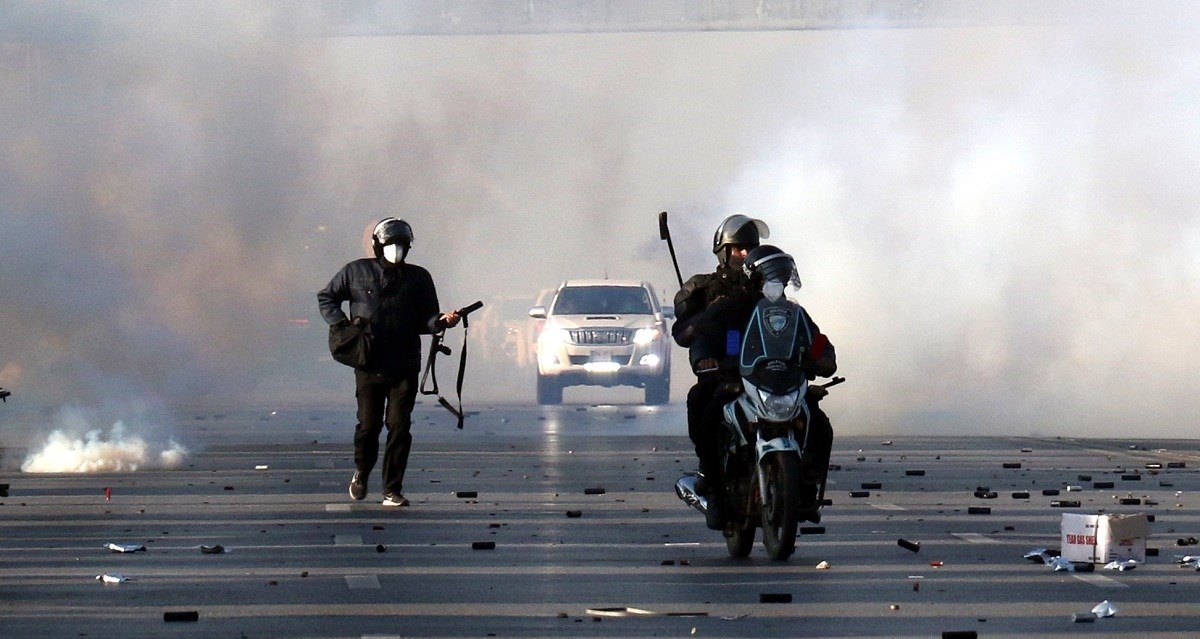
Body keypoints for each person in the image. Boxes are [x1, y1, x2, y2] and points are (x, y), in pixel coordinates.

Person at [318, 217, 460, 507]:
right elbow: (327, 297)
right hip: (368, 362)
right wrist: (343, 325)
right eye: (391, 244)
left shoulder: (419, 278)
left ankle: (392, 490)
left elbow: (428, 319)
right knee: (369, 426)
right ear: (377, 246)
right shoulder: (355, 272)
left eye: (402, 245)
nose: (396, 250)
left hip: (405, 363)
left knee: (399, 426)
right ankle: (362, 471)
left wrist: (444, 321)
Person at [671, 214, 768, 529]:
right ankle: (713, 483)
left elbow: (789, 326)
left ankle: (802, 480)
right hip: (725, 375)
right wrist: (704, 357)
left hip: (767, 376)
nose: (744, 255)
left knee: (816, 418)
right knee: (703, 404)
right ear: (723, 251)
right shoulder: (706, 288)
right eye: (737, 249)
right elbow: (686, 332)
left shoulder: (771, 290)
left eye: (749, 249)